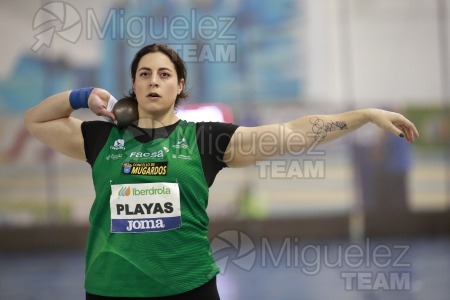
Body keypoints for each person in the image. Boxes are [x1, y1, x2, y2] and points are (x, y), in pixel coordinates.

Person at [24, 43, 419, 299]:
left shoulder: (206, 140)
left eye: (164, 74)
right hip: (111, 289)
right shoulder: (101, 138)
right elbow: (37, 122)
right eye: (144, 73)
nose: (153, 81)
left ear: (180, 86)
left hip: (189, 288)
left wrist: (365, 115)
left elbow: (293, 133)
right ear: (133, 85)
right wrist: (80, 96)